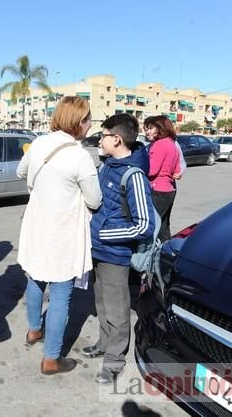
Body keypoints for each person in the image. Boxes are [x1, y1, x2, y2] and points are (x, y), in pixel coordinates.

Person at [17, 96, 102, 375]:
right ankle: (51, 359)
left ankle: (33, 331)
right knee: (61, 295)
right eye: (89, 119)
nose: (91, 125)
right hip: (63, 232)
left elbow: (21, 171)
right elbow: (95, 200)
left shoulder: (39, 143)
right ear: (79, 122)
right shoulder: (80, 156)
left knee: (35, 279)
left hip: (36, 226)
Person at [81, 113, 155, 383]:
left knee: (117, 309)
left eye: (103, 135)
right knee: (101, 303)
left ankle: (114, 360)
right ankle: (103, 344)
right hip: (97, 250)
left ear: (117, 138)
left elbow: (144, 225)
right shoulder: (107, 166)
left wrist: (104, 233)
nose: (99, 140)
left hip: (115, 254)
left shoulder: (133, 176)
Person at [143, 115, 181, 240]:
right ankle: (166, 254)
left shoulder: (159, 145)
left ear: (160, 128)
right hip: (169, 191)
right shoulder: (172, 144)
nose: (147, 131)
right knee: (163, 226)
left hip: (157, 191)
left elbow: (152, 171)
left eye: (150, 128)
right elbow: (177, 170)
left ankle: (153, 257)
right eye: (146, 128)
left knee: (153, 227)